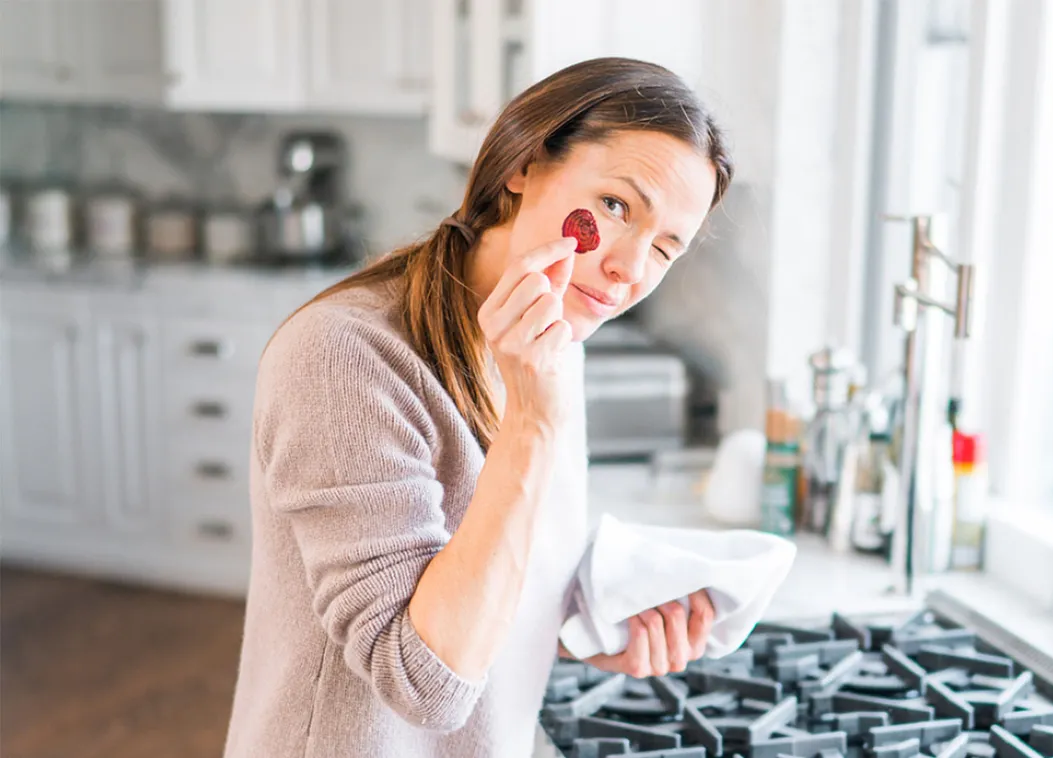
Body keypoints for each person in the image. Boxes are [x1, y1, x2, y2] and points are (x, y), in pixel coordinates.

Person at [222, 57, 734, 757]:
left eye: (665, 246)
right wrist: (533, 424)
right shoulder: (343, 356)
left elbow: (491, 572)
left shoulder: (555, 336)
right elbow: (421, 681)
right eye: (616, 206)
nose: (628, 269)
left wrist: (593, 631)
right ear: (524, 163)